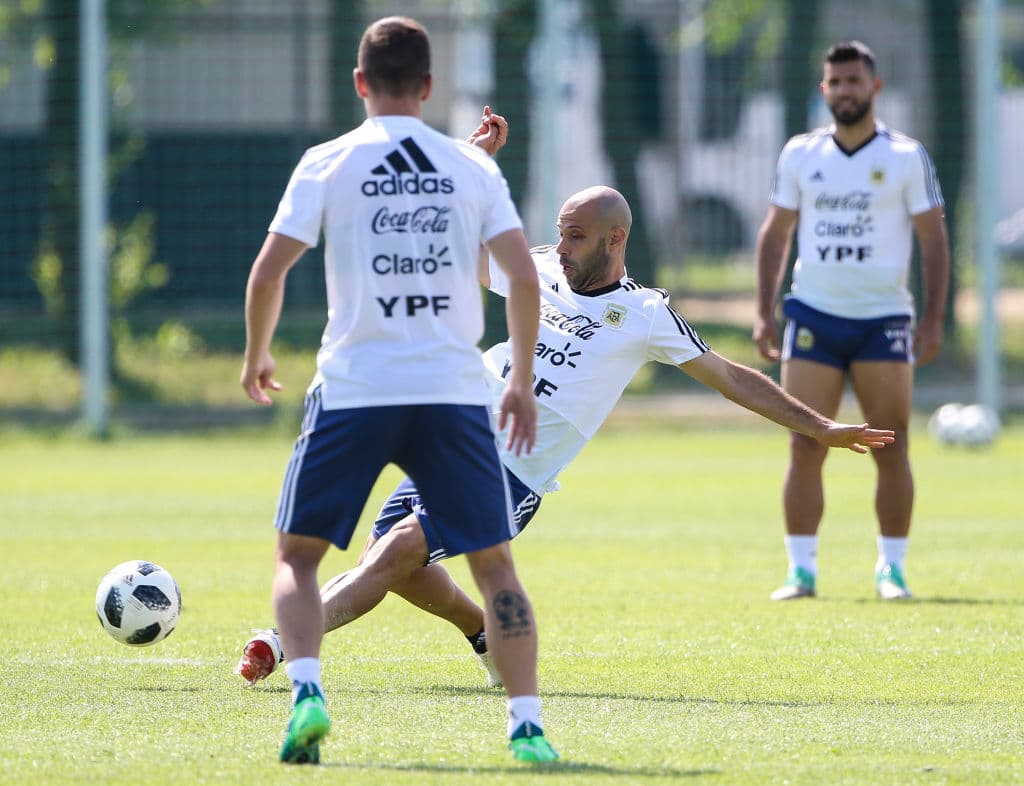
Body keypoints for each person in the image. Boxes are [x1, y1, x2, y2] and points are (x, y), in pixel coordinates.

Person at [238, 111, 895, 692]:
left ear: (615, 239)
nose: (565, 245)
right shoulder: (540, 269)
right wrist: (476, 167)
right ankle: (484, 637)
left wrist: (820, 426)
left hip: (514, 472)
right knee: (399, 566)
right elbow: (455, 252)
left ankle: (281, 643)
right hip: (455, 438)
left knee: (392, 555)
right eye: (562, 231)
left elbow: (731, 376)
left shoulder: (644, 313)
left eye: (577, 235)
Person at [240, 16, 559, 765]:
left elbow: (268, 272)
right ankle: (527, 727)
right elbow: (519, 275)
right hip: (451, 394)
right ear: (427, 87)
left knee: (298, 558)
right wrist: (517, 378)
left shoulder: (327, 162)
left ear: (359, 84)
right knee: (496, 567)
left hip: (354, 387)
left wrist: (257, 352)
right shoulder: (471, 169)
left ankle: (309, 694)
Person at [751, 41, 951, 601]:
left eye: (854, 81)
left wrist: (932, 320)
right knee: (805, 441)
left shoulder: (906, 156)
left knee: (890, 443)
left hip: (882, 318)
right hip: (813, 313)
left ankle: (892, 568)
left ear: (875, 87)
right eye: (834, 82)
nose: (844, 91)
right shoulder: (800, 153)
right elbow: (776, 232)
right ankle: (801, 570)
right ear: (823, 90)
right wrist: (763, 310)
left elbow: (933, 239)